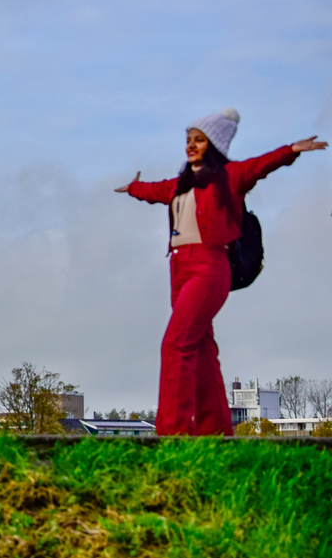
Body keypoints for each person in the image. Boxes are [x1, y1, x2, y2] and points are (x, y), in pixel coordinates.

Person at [115, 108, 325, 436]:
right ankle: (216, 432)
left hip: (209, 266)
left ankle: (172, 433)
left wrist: (290, 151)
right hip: (179, 268)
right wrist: (133, 187)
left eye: (199, 140)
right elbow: (154, 191)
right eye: (188, 140)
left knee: (175, 344)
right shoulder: (180, 185)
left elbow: (258, 166)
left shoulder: (228, 177)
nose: (191, 145)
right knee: (200, 348)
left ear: (213, 144)